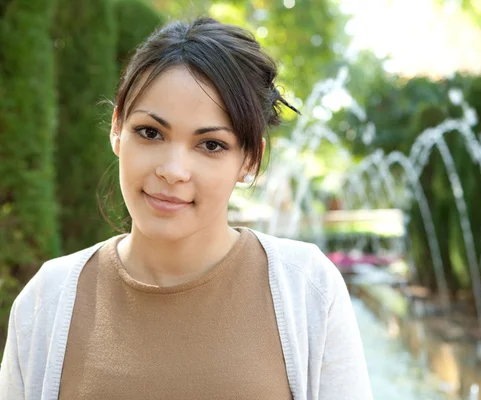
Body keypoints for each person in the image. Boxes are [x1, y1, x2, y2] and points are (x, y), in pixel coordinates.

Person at [0, 17, 372, 400]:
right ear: (116, 128)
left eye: (211, 145)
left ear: (249, 159)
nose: (173, 171)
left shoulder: (307, 287)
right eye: (150, 133)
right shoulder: (49, 297)